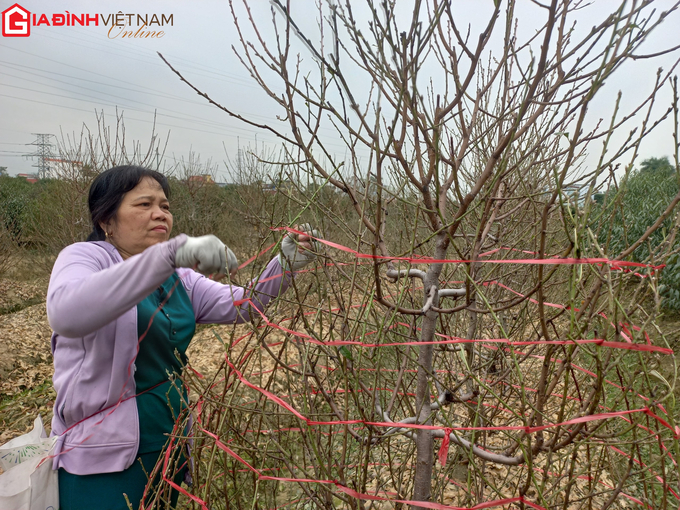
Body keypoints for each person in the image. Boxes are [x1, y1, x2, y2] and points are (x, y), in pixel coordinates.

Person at [47, 165, 320, 510]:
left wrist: (284, 264)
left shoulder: (178, 277)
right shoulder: (85, 258)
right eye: (144, 204)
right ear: (106, 220)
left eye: (165, 206)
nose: (159, 213)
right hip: (101, 455)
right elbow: (67, 313)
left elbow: (245, 304)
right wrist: (169, 254)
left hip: (167, 441)